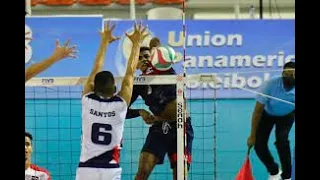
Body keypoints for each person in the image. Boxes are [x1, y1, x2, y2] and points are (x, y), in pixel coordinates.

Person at [75, 21, 148, 180]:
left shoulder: (87, 100)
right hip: (110, 168)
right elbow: (129, 74)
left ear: (94, 87)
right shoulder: (120, 104)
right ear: (115, 90)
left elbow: (95, 69)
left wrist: (104, 42)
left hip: (86, 168)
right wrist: (137, 43)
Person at [125, 38, 194, 180]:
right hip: (159, 128)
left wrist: (154, 47)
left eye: (146, 56)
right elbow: (120, 110)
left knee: (180, 175)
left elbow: (156, 42)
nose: (144, 59)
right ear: (135, 64)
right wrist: (140, 112)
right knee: (142, 173)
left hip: (181, 126)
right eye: (139, 58)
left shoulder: (163, 67)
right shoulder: (138, 83)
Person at [247, 61, 295, 180]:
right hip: (267, 114)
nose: (289, 77)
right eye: (286, 74)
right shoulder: (270, 84)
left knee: (282, 140)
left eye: (292, 74)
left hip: (287, 115)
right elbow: (257, 111)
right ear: (282, 74)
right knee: (258, 145)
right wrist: (252, 135)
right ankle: (274, 171)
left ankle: (287, 176)